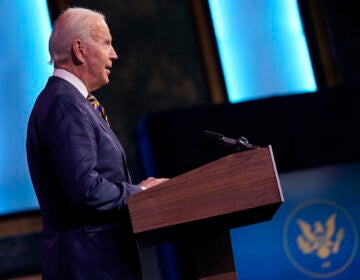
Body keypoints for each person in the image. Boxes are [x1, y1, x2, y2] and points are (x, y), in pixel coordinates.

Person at [26, 7, 167, 280]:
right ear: (79, 50)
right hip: (89, 265)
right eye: (106, 43)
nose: (114, 54)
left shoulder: (73, 102)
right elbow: (86, 189)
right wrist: (137, 192)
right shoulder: (63, 103)